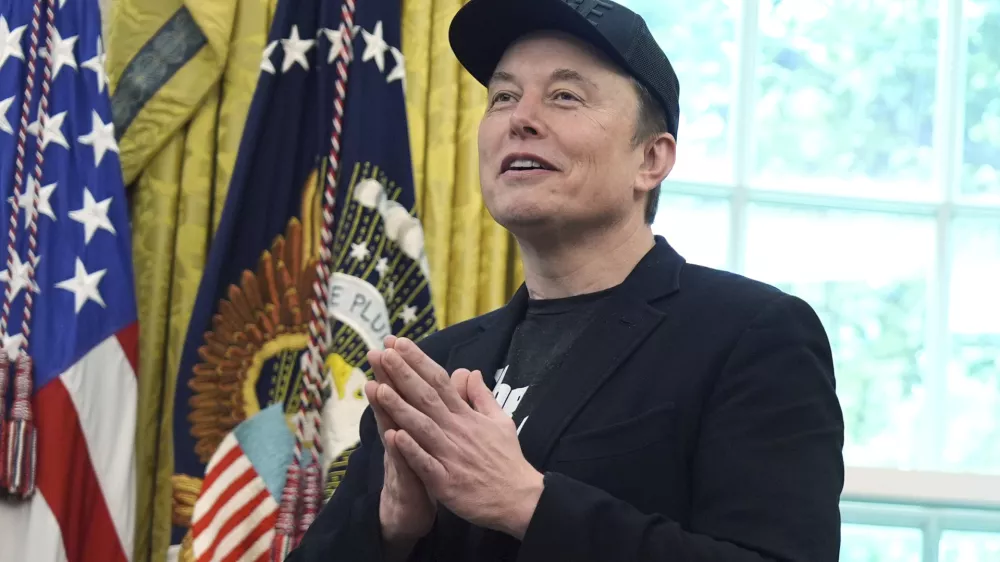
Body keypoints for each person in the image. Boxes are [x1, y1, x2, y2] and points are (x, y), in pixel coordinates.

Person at [288, 0, 845, 560]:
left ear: (651, 159)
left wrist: (529, 503)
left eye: (565, 96)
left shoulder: (750, 336)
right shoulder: (435, 364)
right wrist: (390, 529)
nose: (520, 118)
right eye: (503, 96)